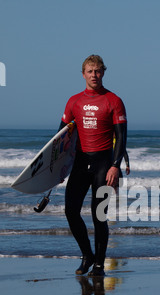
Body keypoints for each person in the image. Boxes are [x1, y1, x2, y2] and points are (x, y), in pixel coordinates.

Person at [59, 54, 128, 277]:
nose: (94, 75)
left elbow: (122, 136)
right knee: (71, 211)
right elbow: (61, 138)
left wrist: (115, 166)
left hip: (104, 163)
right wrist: (56, 169)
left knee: (100, 216)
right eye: (90, 71)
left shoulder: (113, 100)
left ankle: (99, 264)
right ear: (83, 74)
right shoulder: (73, 101)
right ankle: (87, 255)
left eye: (97, 71)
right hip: (80, 162)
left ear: (103, 73)